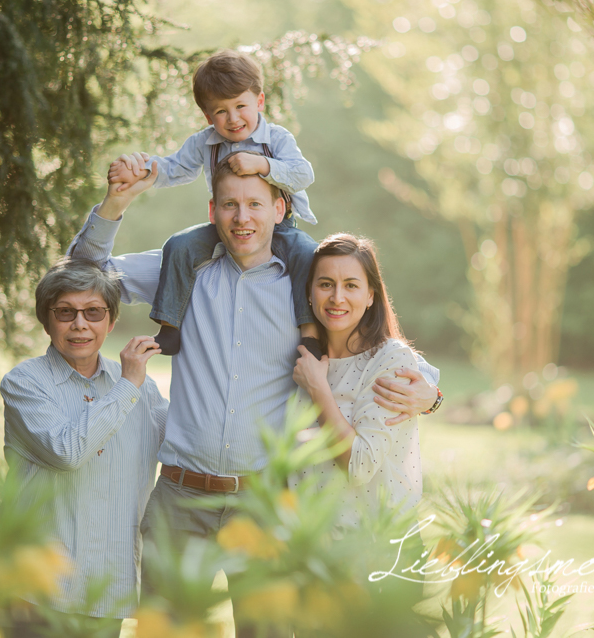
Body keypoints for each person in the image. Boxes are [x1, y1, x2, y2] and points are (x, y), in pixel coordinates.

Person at [68, 153, 442, 636]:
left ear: (279, 210)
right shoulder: (182, 271)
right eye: (229, 205)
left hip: (264, 506)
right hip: (180, 500)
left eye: (255, 204)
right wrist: (117, 200)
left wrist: (431, 395)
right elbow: (82, 271)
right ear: (211, 211)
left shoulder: (306, 288)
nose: (242, 218)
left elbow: (376, 353)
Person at [108, 49, 322, 359]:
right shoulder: (204, 142)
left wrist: (262, 164)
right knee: (179, 245)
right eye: (221, 111)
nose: (233, 118)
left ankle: (310, 334)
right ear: (208, 116)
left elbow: (304, 174)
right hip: (225, 226)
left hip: (278, 225)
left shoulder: (275, 138)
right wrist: (141, 169)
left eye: (240, 106)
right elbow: (173, 169)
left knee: (305, 253)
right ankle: (170, 326)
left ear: (259, 102)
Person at [0, 257, 167, 637]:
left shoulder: (146, 392)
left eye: (93, 312)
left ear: (111, 320)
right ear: (46, 319)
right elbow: (68, 452)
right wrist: (128, 386)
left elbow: (188, 448)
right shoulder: (25, 383)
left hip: (105, 592)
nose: (80, 324)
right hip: (35, 593)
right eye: (65, 312)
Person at [290, 234, 429, 525]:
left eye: (351, 285)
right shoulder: (303, 358)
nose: (337, 297)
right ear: (309, 292)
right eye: (326, 284)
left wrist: (318, 389)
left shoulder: (390, 360)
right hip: (310, 547)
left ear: (370, 296)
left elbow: (358, 465)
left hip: (374, 547)